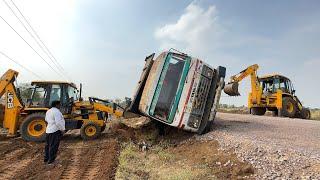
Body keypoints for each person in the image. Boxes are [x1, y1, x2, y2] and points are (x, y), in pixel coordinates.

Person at [44, 100, 65, 165]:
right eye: (59, 104)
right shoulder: (57, 112)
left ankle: (46, 159)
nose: (60, 106)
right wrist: (62, 129)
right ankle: (51, 161)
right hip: (55, 131)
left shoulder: (48, 111)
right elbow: (58, 122)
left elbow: (46, 119)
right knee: (53, 146)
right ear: (56, 105)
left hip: (48, 130)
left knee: (48, 146)